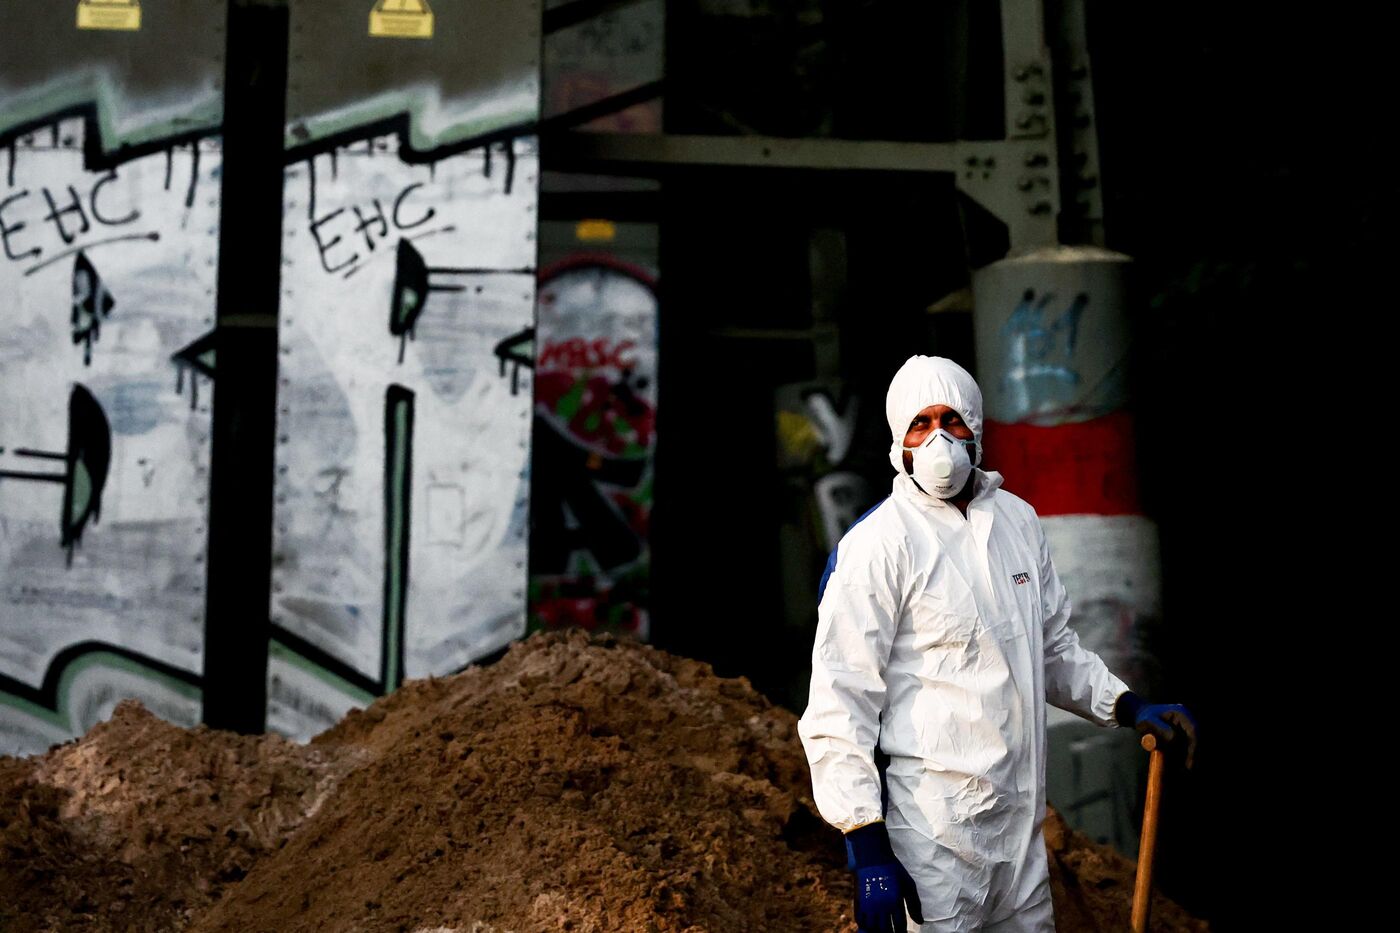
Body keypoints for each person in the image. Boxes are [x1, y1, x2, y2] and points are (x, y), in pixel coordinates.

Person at [797, 355, 1196, 933]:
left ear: (976, 427)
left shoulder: (1017, 522)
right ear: (898, 441)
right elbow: (840, 703)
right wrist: (866, 847)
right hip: (932, 845)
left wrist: (1128, 705)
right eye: (920, 423)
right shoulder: (877, 548)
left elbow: (1053, 648)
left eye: (952, 419)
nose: (938, 438)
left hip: (1021, 835)